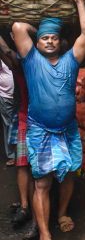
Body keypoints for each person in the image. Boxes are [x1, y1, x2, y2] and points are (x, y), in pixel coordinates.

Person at [12, 0, 85, 240]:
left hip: (67, 130)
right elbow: (17, 27)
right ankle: (45, 233)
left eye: (54, 37)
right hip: (40, 131)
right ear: (37, 43)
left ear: (61, 41)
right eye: (45, 38)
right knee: (43, 183)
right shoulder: (31, 61)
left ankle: (62, 213)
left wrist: (79, 1)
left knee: (68, 174)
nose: (49, 41)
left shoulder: (70, 60)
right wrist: (42, 27)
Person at [0, 32, 38, 238]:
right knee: (22, 164)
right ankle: (25, 207)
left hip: (43, 122)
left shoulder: (45, 61)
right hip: (25, 118)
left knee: (38, 172)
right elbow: (5, 51)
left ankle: (36, 218)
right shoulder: (20, 63)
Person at [0, 35, 16, 166]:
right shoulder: (3, 58)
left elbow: (8, 51)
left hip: (16, 98)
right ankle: (12, 155)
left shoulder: (15, 57)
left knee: (15, 126)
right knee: (8, 126)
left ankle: (19, 153)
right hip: (6, 97)